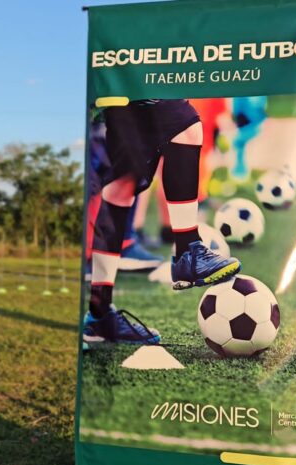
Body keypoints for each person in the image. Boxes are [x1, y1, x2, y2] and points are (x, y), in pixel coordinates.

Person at [84, 99, 241, 345]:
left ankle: (99, 313)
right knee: (185, 125)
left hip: (123, 89)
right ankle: (188, 251)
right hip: (132, 81)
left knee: (122, 185)